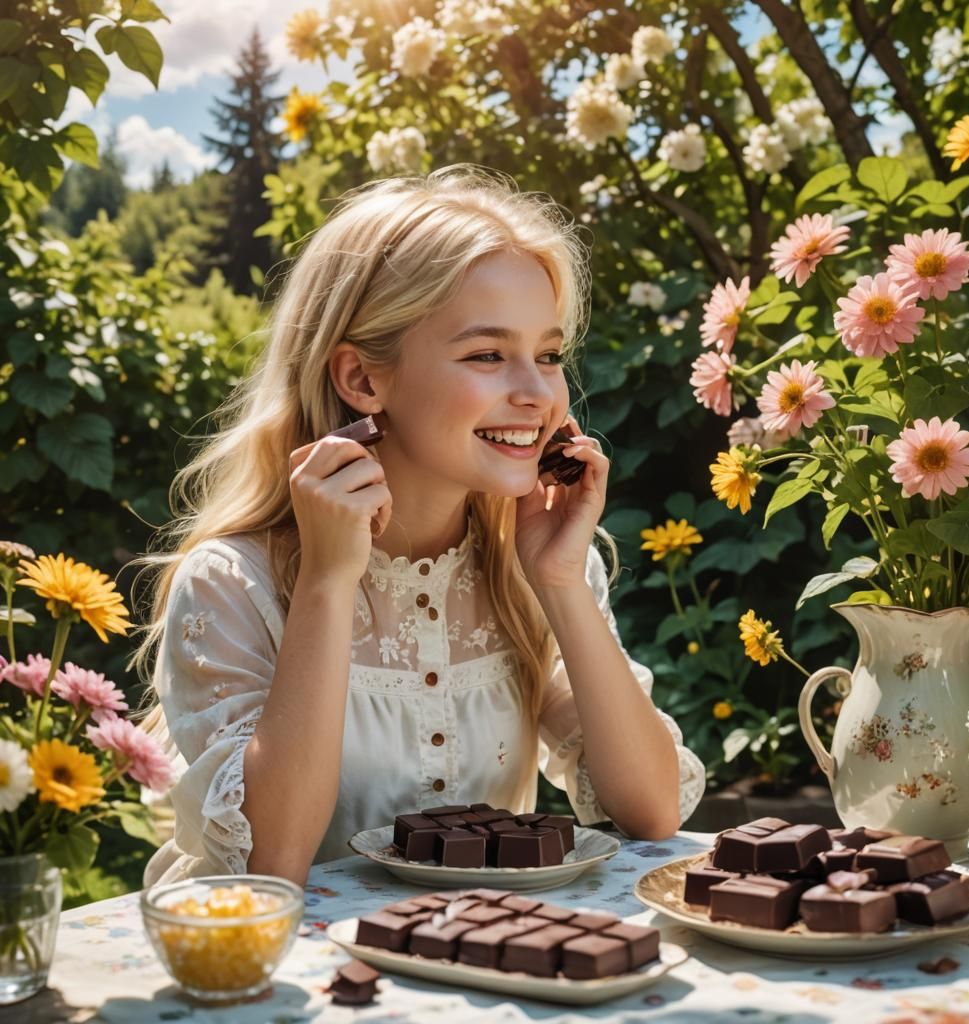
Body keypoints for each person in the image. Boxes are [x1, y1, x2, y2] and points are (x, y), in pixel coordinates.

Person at [131, 165, 705, 887]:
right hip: (270, 983)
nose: (537, 394)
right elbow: (273, 863)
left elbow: (652, 812)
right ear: (364, 380)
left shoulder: (536, 567)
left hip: (472, 972)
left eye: (549, 355)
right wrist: (329, 582)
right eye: (488, 355)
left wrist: (560, 582)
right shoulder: (233, 584)